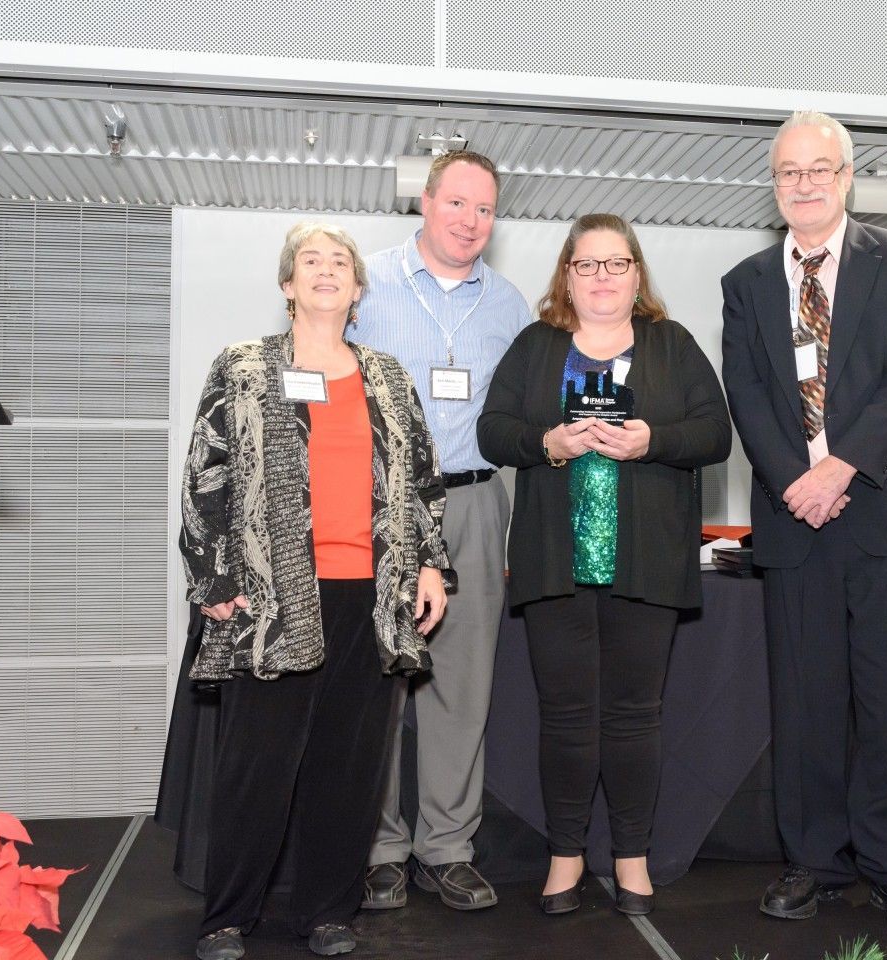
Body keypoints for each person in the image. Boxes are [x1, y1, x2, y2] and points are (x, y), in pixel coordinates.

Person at [180, 222, 450, 960]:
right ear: (288, 284)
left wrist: (431, 566)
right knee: (255, 765)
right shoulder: (242, 367)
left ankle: (329, 912)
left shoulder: (388, 376)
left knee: (349, 765)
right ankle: (227, 917)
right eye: (311, 261)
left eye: (341, 263)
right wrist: (214, 580)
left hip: (369, 594)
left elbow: (423, 484)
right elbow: (206, 475)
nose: (327, 271)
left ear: (359, 289)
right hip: (271, 597)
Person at [720, 111, 887, 935]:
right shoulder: (746, 282)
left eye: (820, 169)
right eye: (789, 172)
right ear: (775, 183)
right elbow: (747, 394)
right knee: (806, 703)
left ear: (848, 176)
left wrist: (840, 466)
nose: (805, 184)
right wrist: (797, 483)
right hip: (795, 521)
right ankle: (813, 861)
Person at [478, 213, 732, 916]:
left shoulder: (671, 345)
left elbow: (716, 434)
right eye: (586, 265)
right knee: (563, 717)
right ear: (567, 274)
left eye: (615, 264)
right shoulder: (536, 346)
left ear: (637, 273)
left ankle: (631, 857)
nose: (601, 278)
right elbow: (492, 431)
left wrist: (652, 439)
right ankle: (564, 857)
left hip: (646, 563)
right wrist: (549, 441)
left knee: (633, 717)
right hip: (555, 561)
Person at [351, 150, 533, 912]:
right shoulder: (369, 285)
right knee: (382, 681)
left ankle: (447, 848)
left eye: (485, 210)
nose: (470, 221)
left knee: (463, 684)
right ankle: (379, 848)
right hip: (380, 508)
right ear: (425, 203)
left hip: (477, 503)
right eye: (457, 203)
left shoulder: (510, 304)